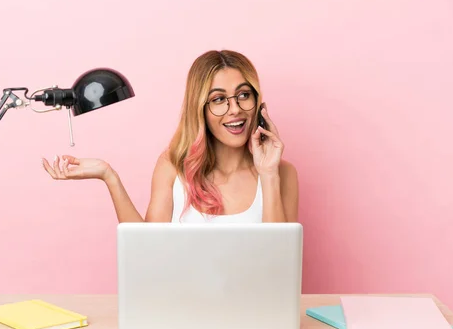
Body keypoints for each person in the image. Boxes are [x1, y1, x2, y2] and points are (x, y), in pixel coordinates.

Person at [42, 50, 299, 223]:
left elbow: (279, 263)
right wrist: (108, 174)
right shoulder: (172, 167)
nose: (235, 109)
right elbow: (146, 251)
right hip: (181, 305)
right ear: (199, 109)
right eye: (218, 99)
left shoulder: (281, 173)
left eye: (244, 95)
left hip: (254, 306)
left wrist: (268, 174)